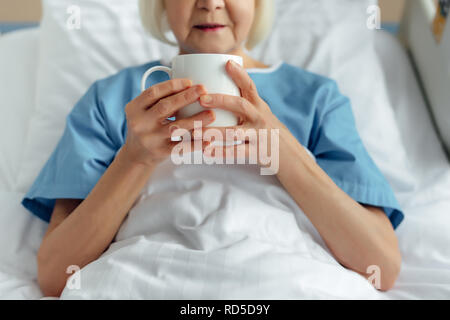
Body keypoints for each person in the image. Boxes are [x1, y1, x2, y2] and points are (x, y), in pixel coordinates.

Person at [22, 0, 404, 297]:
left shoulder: (318, 99)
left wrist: (279, 145)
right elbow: (57, 275)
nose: (210, 2)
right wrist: (135, 158)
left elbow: (381, 266)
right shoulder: (111, 100)